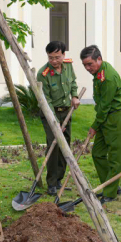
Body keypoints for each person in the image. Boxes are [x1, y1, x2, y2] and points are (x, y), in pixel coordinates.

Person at [81, 45, 121, 204]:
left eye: (90, 64)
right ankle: (112, 184)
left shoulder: (107, 77)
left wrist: (94, 125)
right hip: (104, 116)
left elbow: (105, 106)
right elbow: (102, 106)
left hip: (114, 118)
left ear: (99, 59)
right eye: (85, 65)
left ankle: (110, 192)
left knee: (114, 156)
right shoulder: (99, 73)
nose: (87, 68)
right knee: (98, 153)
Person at [36, 41, 80, 195]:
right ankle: (51, 183)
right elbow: (45, 100)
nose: (54, 61)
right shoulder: (43, 74)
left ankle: (59, 179)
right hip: (51, 113)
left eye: (57, 57)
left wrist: (74, 96)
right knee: (54, 146)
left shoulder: (68, 66)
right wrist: (55, 123)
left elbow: (73, 82)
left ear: (64, 55)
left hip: (66, 111)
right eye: (50, 58)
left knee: (65, 145)